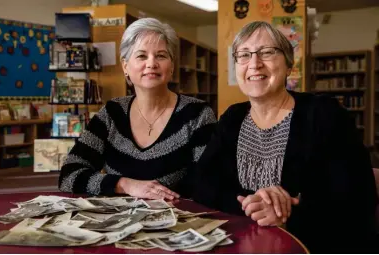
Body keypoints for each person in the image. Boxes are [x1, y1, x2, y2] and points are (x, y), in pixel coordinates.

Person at [192, 21, 378, 253]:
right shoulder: (233, 117)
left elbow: (357, 196)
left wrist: (287, 215)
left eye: (267, 52)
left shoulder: (324, 114)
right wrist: (255, 205)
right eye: (244, 55)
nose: (254, 64)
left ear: (289, 65)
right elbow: (202, 183)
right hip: (244, 242)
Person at [59, 18, 216, 201]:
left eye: (161, 56)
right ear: (125, 66)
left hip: (179, 220)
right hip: (118, 223)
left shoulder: (198, 115)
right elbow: (69, 176)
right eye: (141, 56)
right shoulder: (111, 114)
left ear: (172, 66)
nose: (151, 64)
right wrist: (124, 185)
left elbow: (211, 182)